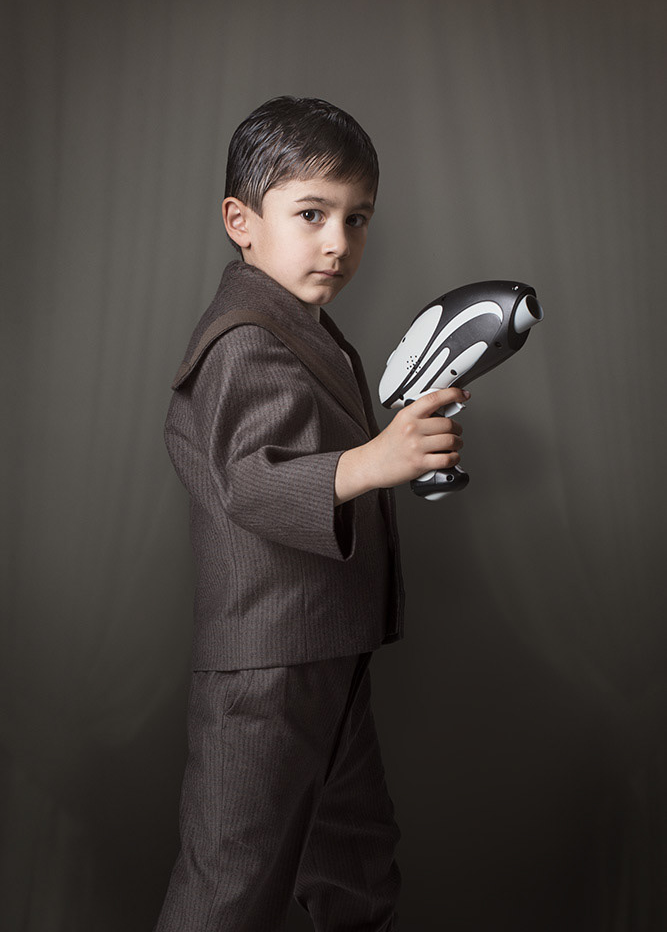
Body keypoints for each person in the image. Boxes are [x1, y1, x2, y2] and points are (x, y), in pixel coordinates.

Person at [155, 96, 468, 932]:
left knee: (353, 854)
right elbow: (250, 484)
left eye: (356, 218)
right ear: (241, 222)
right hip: (267, 659)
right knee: (231, 878)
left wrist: (402, 447)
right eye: (311, 214)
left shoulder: (306, 330)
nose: (338, 242)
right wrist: (376, 461)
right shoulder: (244, 338)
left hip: (325, 641)